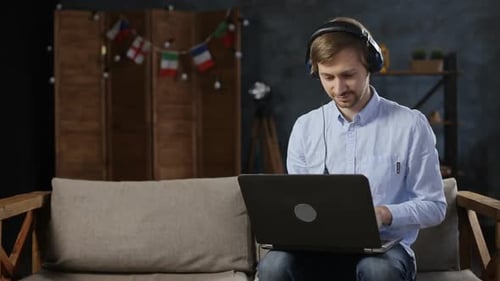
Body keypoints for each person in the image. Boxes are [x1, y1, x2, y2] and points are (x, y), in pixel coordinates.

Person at [256, 17, 447, 281]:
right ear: (316, 72)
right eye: (328, 77)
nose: (338, 88)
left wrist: (385, 213)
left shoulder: (411, 125)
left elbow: (435, 206)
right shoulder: (305, 127)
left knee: (377, 270)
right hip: (318, 250)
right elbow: (297, 204)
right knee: (272, 266)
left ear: (370, 66)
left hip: (385, 251)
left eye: (348, 75)